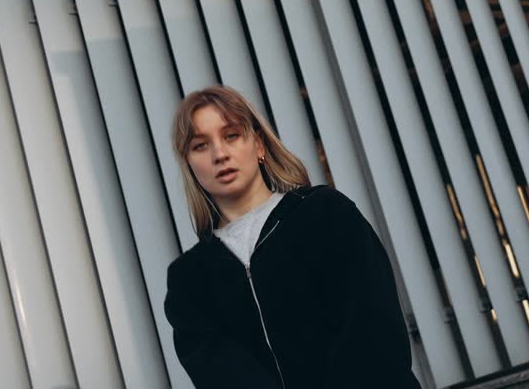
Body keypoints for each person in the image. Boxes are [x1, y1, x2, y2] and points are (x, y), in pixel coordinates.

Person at [164, 85, 423, 388]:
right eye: (201, 145)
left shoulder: (326, 214)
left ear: (258, 145)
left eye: (231, 135)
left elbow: (373, 329)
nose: (220, 154)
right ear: (189, 164)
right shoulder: (189, 280)